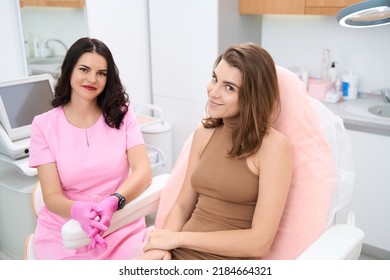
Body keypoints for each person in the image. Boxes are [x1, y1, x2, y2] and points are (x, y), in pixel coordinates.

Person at [138, 43, 292, 260]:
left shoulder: (273, 146)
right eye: (214, 78)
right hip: (176, 253)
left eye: (229, 87)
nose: (213, 92)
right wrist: (161, 248)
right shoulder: (204, 133)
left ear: (252, 96)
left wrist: (178, 239)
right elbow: (182, 206)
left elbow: (259, 243)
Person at [29, 37, 152, 259]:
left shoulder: (122, 114)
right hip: (65, 228)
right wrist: (78, 210)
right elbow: (51, 196)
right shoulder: (43, 125)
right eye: (84, 69)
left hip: (118, 222)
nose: (92, 79)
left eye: (101, 73)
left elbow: (143, 173)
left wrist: (113, 202)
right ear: (69, 70)